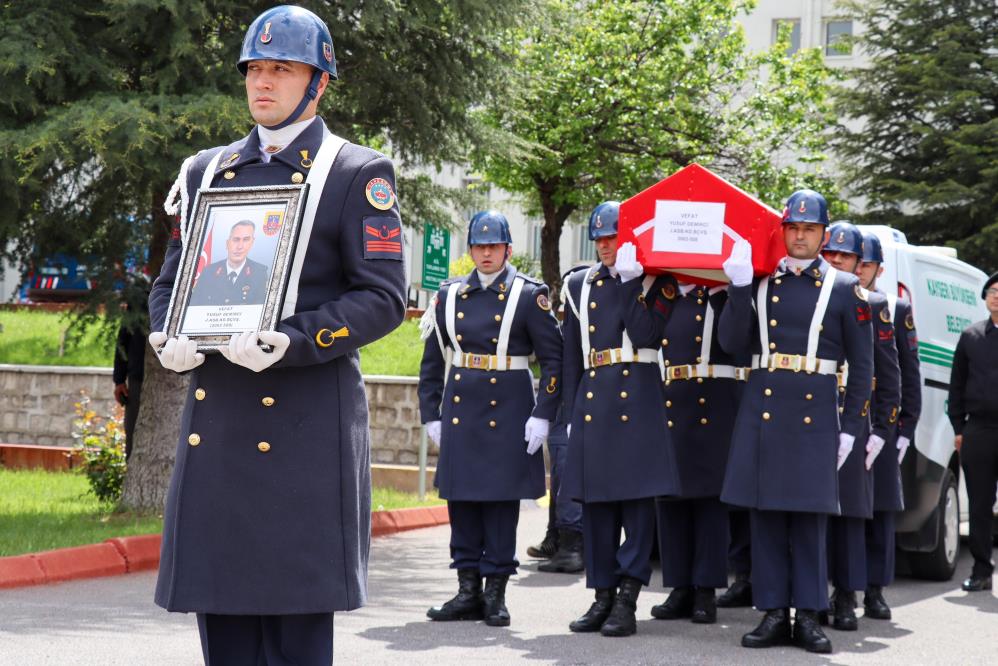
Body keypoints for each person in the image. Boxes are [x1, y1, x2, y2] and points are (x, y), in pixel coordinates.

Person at [147, 6, 407, 663]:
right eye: (254, 69)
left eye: (282, 70)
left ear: (317, 83)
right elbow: (170, 283)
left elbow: (380, 300)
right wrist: (168, 335)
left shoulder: (354, 173)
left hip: (302, 432)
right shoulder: (207, 171)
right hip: (222, 427)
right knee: (226, 638)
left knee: (294, 640)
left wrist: (294, 342)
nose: (263, 82)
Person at [719, 189, 874, 654]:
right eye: (793, 228)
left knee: (809, 521)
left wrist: (850, 426)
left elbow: (863, 368)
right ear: (782, 231)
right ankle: (771, 613)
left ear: (823, 235)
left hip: (815, 415)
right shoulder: (764, 284)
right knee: (765, 517)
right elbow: (732, 344)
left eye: (809, 229)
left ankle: (807, 614)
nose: (800, 236)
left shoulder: (846, 290)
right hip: (764, 413)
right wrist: (740, 286)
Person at [418, 210, 563, 626]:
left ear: (508, 249)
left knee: (500, 505)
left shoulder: (527, 295)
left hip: (510, 412)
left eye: (493, 246)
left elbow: (555, 361)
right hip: (462, 411)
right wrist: (432, 413)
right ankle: (467, 591)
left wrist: (543, 414)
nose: (486, 253)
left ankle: (495, 593)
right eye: (479, 247)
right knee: (462, 502)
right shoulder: (448, 296)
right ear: (470, 250)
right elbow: (431, 363)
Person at [562, 201, 681, 637]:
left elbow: (648, 334)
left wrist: (632, 284)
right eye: (599, 238)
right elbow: (572, 354)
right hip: (595, 401)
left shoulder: (657, 280)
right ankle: (602, 595)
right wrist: (570, 413)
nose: (605, 245)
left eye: (612, 237)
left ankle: (628, 597)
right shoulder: (579, 284)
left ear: (628, 237)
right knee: (597, 506)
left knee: (636, 505)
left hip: (640, 401)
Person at [650, 281, 749, 625]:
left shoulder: (718, 295)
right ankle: (679, 587)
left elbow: (735, 341)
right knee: (669, 500)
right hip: (668, 397)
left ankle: (705, 589)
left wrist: (730, 290)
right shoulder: (662, 292)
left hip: (712, 402)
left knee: (709, 503)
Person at [820, 221, 900, 631]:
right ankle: (814, 594)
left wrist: (883, 431)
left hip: (855, 415)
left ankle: (847, 595)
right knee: (814, 512)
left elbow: (887, 375)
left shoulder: (874, 303)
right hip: (813, 414)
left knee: (850, 514)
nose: (835, 260)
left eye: (845, 255)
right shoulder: (810, 294)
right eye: (829, 253)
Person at [857, 231, 921, 618]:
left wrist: (906, 428)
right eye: (856, 262)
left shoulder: (895, 308)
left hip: (883, 418)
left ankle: (875, 590)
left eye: (866, 264)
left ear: (879, 269)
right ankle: (842, 587)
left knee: (880, 508)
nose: (860, 270)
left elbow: (908, 373)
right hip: (848, 414)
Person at [948, 270, 998, 592]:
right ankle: (981, 570)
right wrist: (958, 425)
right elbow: (957, 384)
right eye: (991, 291)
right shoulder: (971, 336)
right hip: (979, 429)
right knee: (980, 503)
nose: (996, 295)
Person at [188, 220, 270, 306]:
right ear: (227, 243)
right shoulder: (208, 272)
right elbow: (195, 305)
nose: (240, 246)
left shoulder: (259, 272)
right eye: (236, 239)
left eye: (246, 240)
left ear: (252, 243)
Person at [112, 287, 149, 460]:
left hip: (174, 378)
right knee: (133, 437)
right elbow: (123, 341)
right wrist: (119, 380)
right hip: (137, 380)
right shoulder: (139, 300)